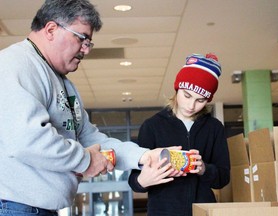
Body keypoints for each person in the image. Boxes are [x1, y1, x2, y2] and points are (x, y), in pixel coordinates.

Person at [0, 0, 178, 215]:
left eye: (89, 43)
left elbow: (91, 139)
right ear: (51, 29)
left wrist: (145, 157)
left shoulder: (62, 82)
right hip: (15, 207)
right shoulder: (16, 65)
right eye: (82, 38)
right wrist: (85, 160)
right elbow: (28, 140)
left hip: (38, 208)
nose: (86, 49)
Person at [128, 53, 231, 216]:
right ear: (177, 89)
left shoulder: (214, 128)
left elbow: (223, 178)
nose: (191, 105)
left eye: (201, 100)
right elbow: (134, 181)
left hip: (203, 211)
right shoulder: (152, 126)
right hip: (162, 211)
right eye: (187, 95)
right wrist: (144, 180)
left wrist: (204, 168)